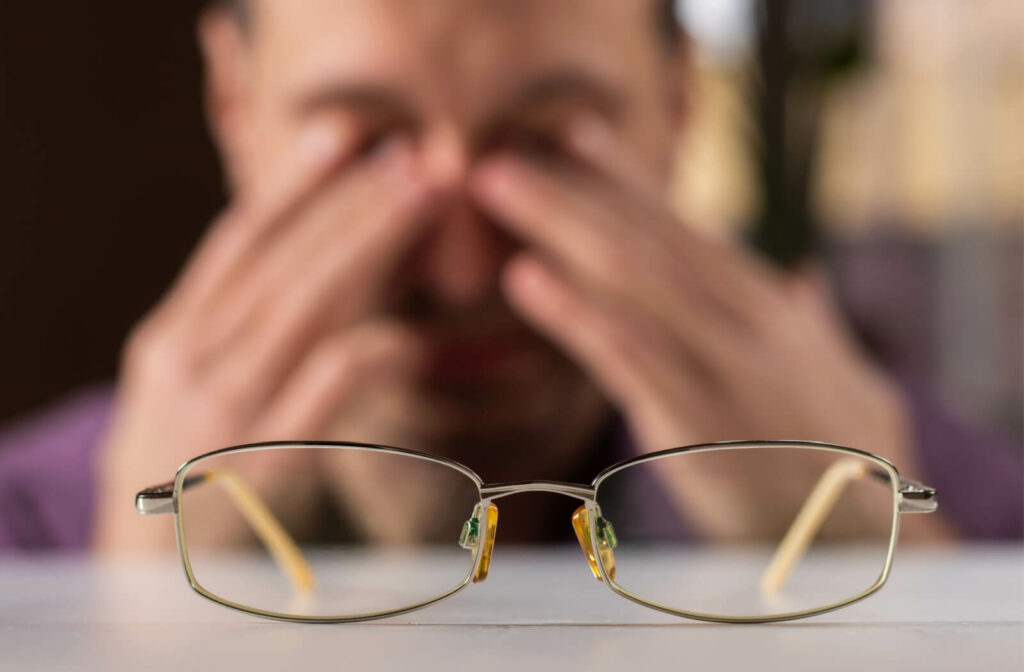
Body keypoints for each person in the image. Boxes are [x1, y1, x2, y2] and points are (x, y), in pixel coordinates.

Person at [0, 0, 1019, 553]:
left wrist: (897, 596)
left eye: (547, 143)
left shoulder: (951, 510)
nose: (461, 269)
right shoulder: (30, 534)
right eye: (365, 147)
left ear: (676, 106)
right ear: (233, 103)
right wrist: (122, 619)